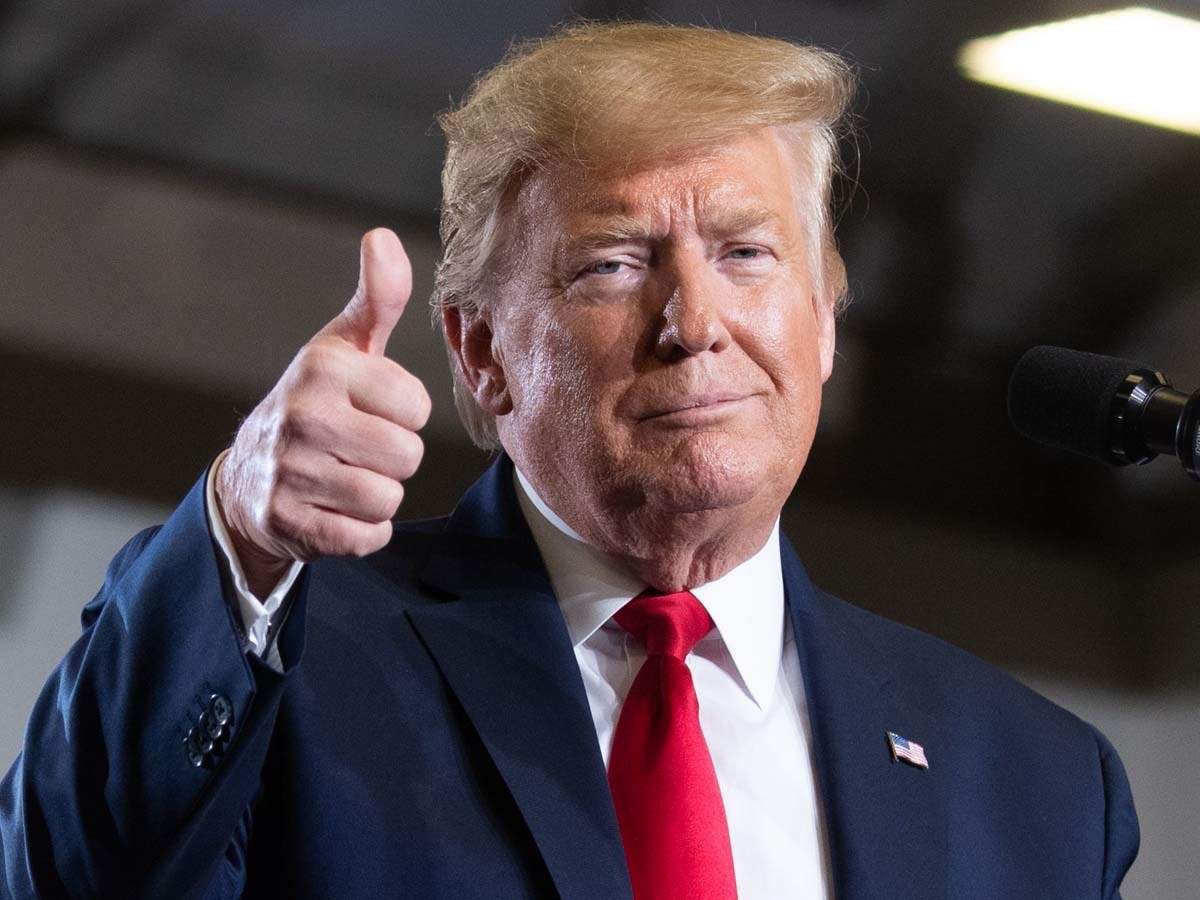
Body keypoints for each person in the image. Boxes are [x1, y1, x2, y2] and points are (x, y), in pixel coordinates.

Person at [0, 21, 1137, 900]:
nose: (695, 322)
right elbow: (68, 878)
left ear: (825, 322)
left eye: (746, 253)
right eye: (612, 264)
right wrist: (240, 537)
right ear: (481, 351)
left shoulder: (1036, 782)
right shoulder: (284, 656)